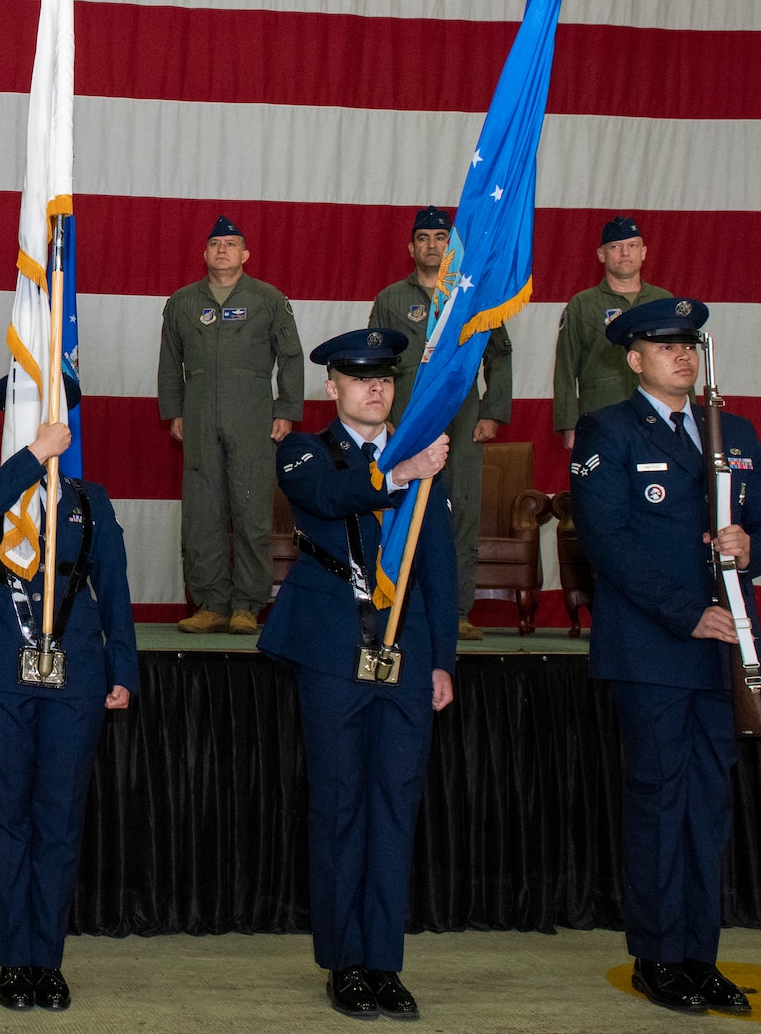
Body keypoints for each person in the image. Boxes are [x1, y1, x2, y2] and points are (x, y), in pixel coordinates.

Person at [570, 297, 761, 1016]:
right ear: (634, 359)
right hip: (654, 648)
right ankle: (658, 955)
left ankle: (701, 954)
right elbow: (607, 542)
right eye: (665, 347)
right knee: (660, 803)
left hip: (725, 651)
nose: (682, 356)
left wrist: (752, 545)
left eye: (689, 345)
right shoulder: (609, 430)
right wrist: (684, 611)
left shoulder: (738, 430)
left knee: (708, 808)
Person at [261, 327, 457, 1020]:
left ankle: (384, 960)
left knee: (395, 805)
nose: (376, 387)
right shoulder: (304, 450)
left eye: (385, 377)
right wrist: (399, 474)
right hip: (333, 646)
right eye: (359, 376)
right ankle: (344, 960)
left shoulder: (421, 457)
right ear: (333, 387)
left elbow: (436, 565)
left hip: (405, 653)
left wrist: (442, 660)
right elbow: (331, 496)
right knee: (340, 804)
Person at [0, 376, 138, 1013]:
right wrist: (32, 455)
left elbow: (113, 586)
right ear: (10, 420)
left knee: (59, 820)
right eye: (27, 412)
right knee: (7, 816)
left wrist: (124, 669)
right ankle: (12, 960)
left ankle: (47, 960)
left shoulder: (89, 499)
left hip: (76, 671)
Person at [368, 205, 511, 641]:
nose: (432, 245)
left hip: (462, 422)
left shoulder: (473, 296)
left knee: (461, 513)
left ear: (452, 247)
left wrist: (492, 413)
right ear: (411, 247)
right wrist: (381, 422)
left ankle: (457, 610)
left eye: (441, 237)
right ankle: (403, 605)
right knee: (401, 513)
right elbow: (376, 362)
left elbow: (499, 354)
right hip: (404, 426)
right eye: (424, 238)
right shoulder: (391, 299)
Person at [157, 215, 305, 635]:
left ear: (245, 254)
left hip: (253, 414)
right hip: (200, 412)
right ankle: (211, 603)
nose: (222, 249)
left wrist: (286, 410)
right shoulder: (183, 302)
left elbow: (291, 357)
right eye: (215, 243)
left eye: (231, 243)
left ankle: (247, 604)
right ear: (204, 254)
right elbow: (170, 362)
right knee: (203, 514)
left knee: (251, 510)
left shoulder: (268, 299)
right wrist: (175, 411)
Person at [553, 216, 674, 448]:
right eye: (615, 247)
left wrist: (686, 414)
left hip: (660, 414)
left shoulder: (663, 301)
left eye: (632, 246)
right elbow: (565, 367)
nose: (625, 253)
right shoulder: (582, 304)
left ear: (644, 252)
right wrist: (569, 424)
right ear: (601, 254)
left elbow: (679, 363)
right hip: (602, 414)